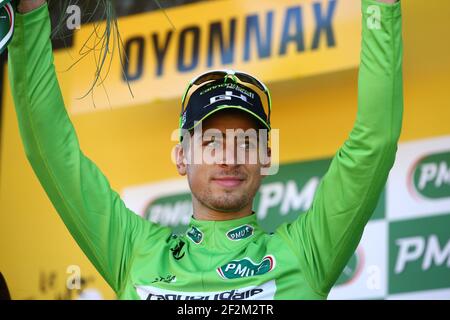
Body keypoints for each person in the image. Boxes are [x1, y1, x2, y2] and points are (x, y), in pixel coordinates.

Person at [9, 0, 403, 300]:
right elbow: (49, 146)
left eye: (246, 142)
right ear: (182, 156)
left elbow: (375, 139)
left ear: (267, 156)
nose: (229, 157)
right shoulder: (135, 252)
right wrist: (29, 13)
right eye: (211, 142)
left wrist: (380, 9)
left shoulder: (304, 254)